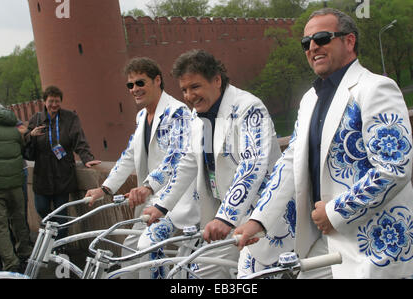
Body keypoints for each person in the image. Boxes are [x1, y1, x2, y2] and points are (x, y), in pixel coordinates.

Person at [234, 8, 413, 279]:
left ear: (349, 41)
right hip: (321, 242)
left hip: (372, 245)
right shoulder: (309, 100)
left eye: (323, 38)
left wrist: (334, 212)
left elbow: (393, 168)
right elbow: (291, 162)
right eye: (307, 43)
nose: (313, 47)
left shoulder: (375, 88)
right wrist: (258, 220)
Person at [132, 49, 282, 278]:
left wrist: (226, 216)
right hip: (223, 217)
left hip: (259, 215)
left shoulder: (249, 108)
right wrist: (162, 205)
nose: (190, 96)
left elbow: (251, 165)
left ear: (217, 80)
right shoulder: (197, 115)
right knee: (202, 273)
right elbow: (188, 163)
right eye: (184, 90)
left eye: (195, 87)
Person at [85, 57, 196, 279]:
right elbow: (129, 155)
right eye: (130, 85)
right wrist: (105, 189)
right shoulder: (141, 116)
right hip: (148, 199)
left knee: (150, 254)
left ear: (157, 80)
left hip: (174, 199)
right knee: (130, 250)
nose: (134, 89)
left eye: (140, 83)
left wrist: (147, 187)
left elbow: (176, 156)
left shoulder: (178, 112)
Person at [25, 86, 101, 240]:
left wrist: (87, 158)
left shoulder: (69, 118)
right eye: (51, 101)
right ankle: (53, 234)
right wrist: (31, 135)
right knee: (42, 208)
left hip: (63, 174)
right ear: (44, 101)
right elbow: (27, 147)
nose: (54, 105)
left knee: (62, 214)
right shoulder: (36, 119)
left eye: (57, 101)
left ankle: (60, 246)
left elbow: (79, 139)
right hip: (43, 174)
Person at [0, 100, 33, 272]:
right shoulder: (13, 130)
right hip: (15, 184)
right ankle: (26, 254)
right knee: (19, 220)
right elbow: (20, 148)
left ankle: (11, 263)